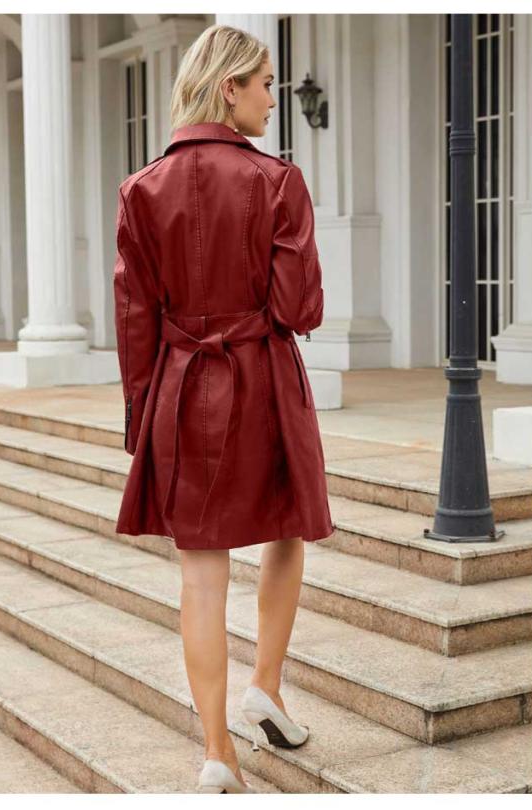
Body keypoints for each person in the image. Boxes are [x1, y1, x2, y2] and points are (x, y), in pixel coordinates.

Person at [113, 23, 334, 793]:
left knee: (201, 577)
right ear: (229, 87)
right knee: (287, 529)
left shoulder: (141, 190)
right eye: (266, 83)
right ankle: (264, 686)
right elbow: (299, 309)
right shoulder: (277, 181)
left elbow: (135, 321)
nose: (274, 97)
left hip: (181, 389)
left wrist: (142, 419)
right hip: (263, 380)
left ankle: (218, 752)